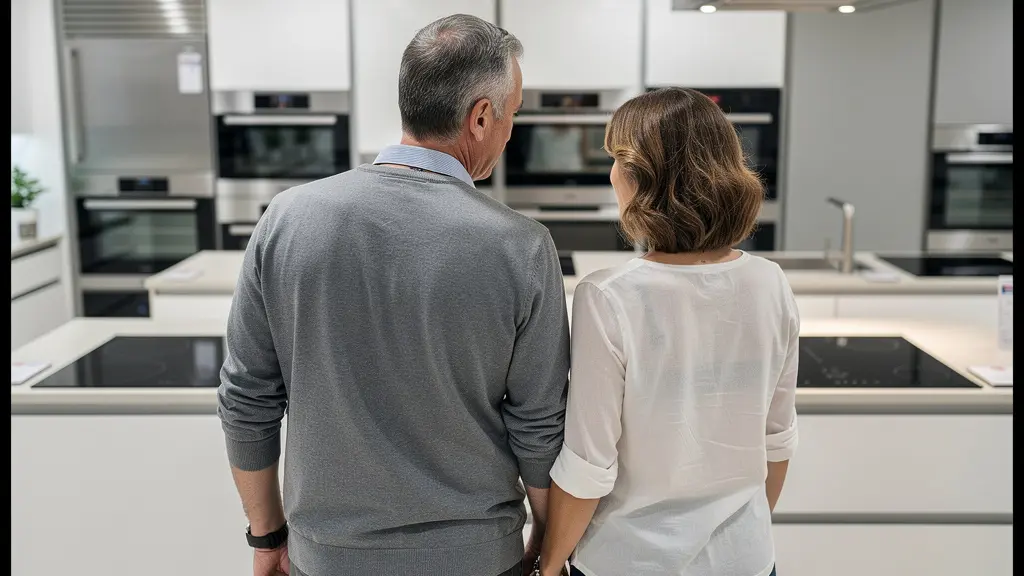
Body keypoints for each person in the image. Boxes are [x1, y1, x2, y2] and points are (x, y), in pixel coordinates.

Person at [217, 14, 570, 576]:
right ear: (481, 116)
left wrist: (266, 537)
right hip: (477, 559)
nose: (510, 132)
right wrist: (549, 546)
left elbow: (246, 400)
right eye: (513, 114)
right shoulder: (521, 246)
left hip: (327, 559)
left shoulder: (286, 219)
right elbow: (539, 424)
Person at [539, 87, 800, 576]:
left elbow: (590, 465)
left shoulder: (608, 296)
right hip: (747, 559)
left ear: (641, 178)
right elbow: (778, 442)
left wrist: (548, 564)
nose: (612, 174)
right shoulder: (770, 282)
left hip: (631, 561)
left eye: (617, 159)